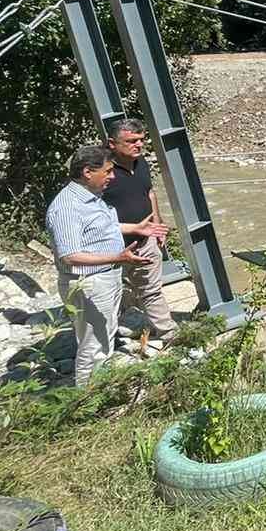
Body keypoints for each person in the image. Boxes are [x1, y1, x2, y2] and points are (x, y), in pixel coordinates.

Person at [46, 145, 164, 385]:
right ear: (88, 172)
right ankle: (87, 402)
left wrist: (134, 228)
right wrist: (118, 258)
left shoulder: (92, 198)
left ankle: (99, 390)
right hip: (89, 284)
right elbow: (70, 256)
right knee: (93, 347)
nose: (112, 176)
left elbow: (100, 229)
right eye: (108, 171)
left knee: (103, 339)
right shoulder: (67, 207)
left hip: (104, 280)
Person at [103, 117, 176, 349]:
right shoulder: (101, 172)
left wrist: (156, 225)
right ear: (112, 144)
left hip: (145, 241)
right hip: (112, 248)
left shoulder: (140, 162)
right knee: (112, 292)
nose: (138, 145)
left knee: (151, 289)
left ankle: (169, 333)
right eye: (131, 141)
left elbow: (150, 193)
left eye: (141, 140)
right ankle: (107, 335)